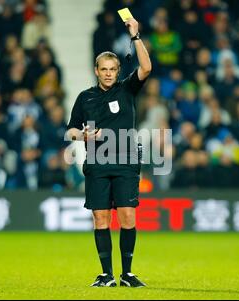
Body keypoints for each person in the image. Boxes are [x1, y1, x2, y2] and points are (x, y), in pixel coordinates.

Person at [66, 17, 151, 287]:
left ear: (117, 71)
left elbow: (146, 67)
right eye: (103, 69)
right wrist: (82, 135)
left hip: (126, 162)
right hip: (98, 164)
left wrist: (135, 36)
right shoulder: (85, 98)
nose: (108, 73)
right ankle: (106, 274)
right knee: (100, 217)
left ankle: (127, 273)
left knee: (127, 216)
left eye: (113, 69)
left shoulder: (127, 89)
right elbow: (70, 131)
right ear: (96, 70)